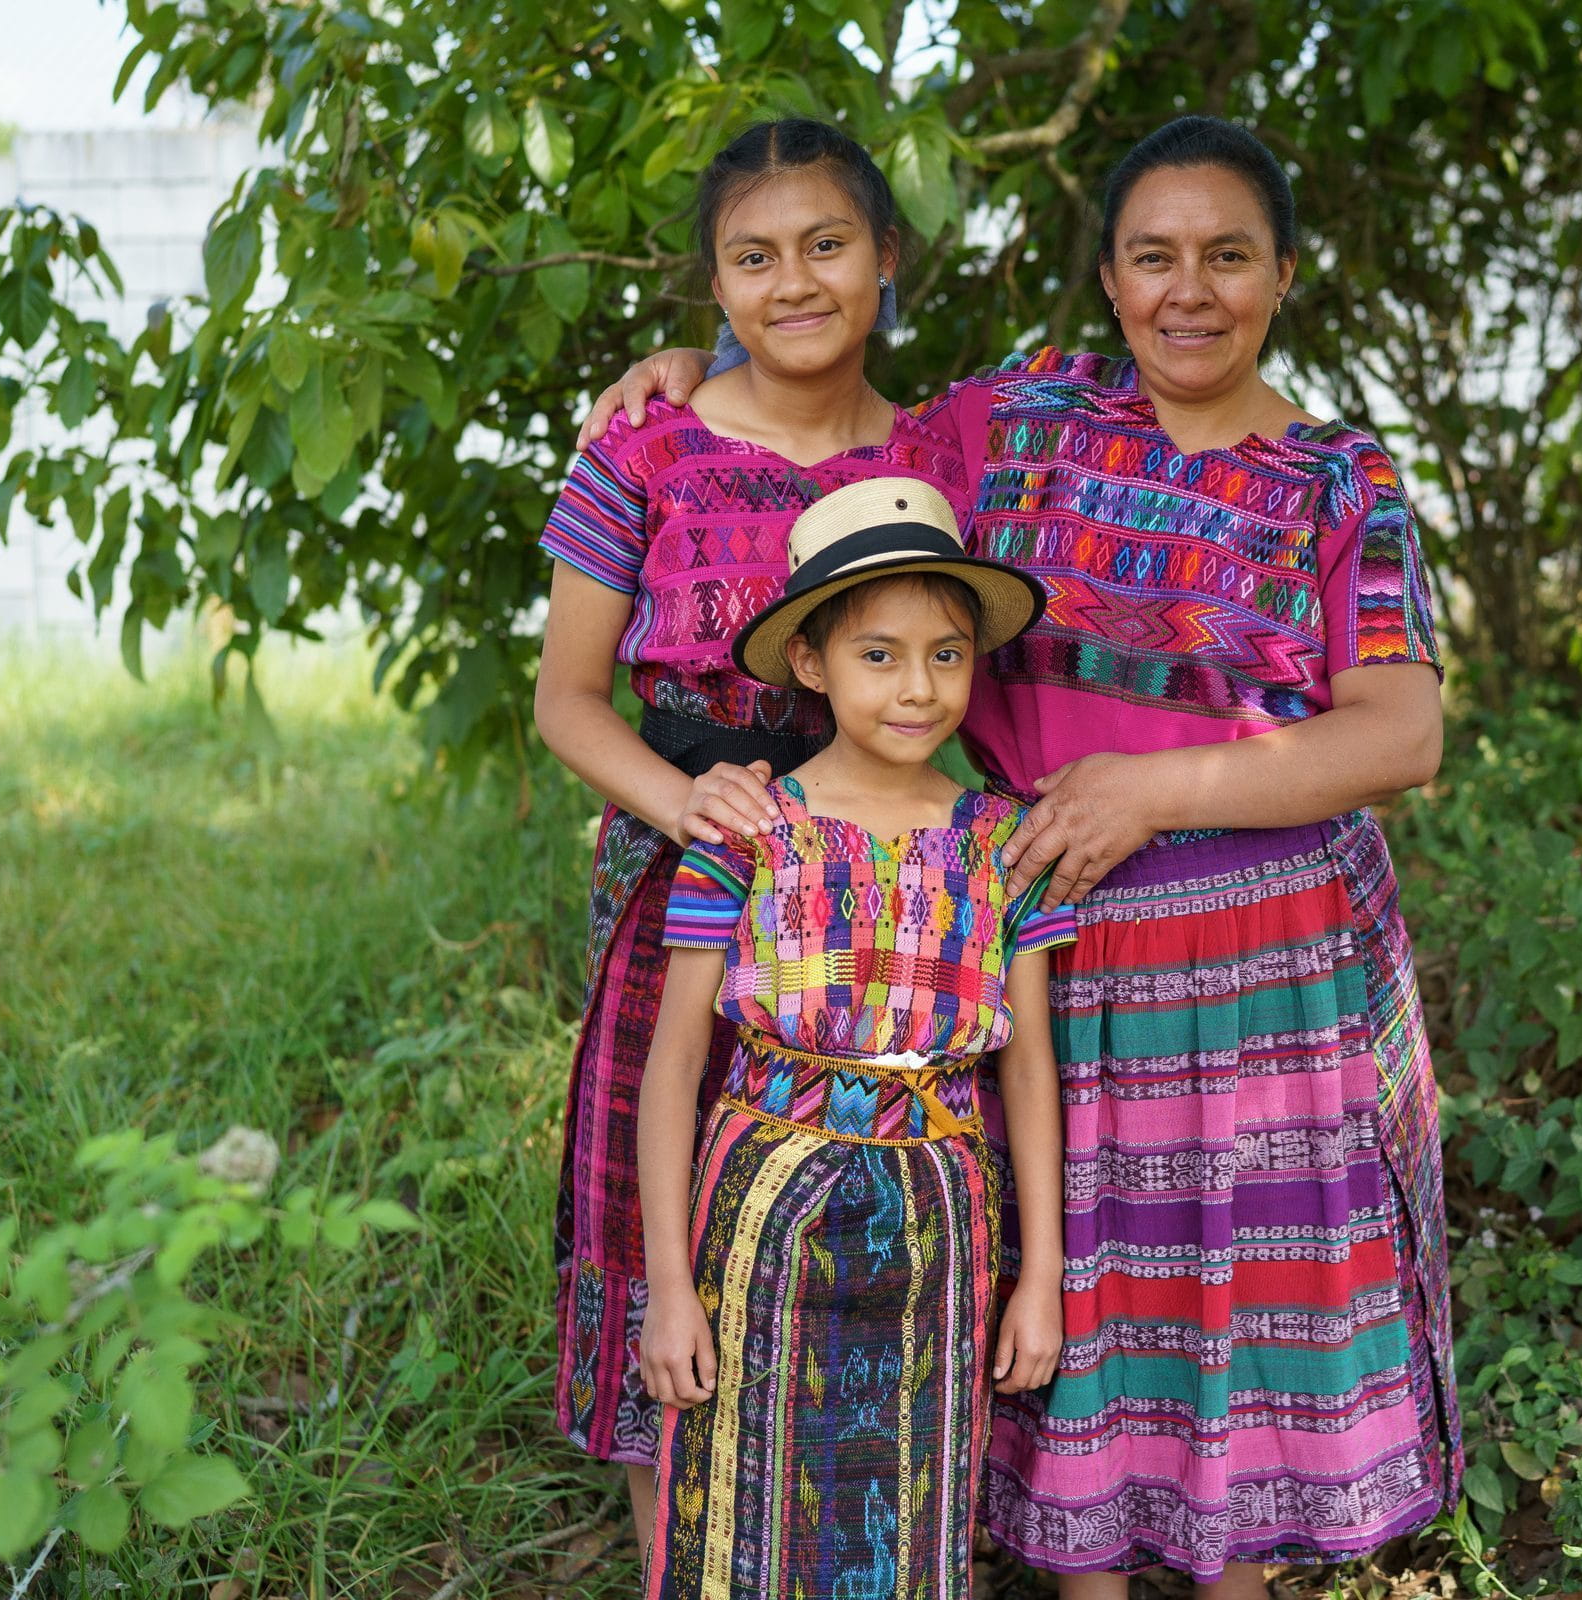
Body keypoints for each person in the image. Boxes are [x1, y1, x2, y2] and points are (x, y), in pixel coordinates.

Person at [586, 115, 1462, 1599]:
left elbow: (1403, 732)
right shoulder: (1023, 424)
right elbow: (834, 446)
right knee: (1080, 1302)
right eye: (1153, 257)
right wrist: (687, 384)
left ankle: (1238, 1564)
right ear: (1110, 280)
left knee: (1239, 1304)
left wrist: (1159, 789)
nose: (1191, 292)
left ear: (1285, 275)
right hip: (1035, 946)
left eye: (1228, 256)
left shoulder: (1337, 480)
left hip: (1269, 981)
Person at [530, 117, 971, 1556]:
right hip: (686, 879)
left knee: (840, 1219)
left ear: (886, 259)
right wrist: (689, 809)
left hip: (878, 905)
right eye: (753, 257)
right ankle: (675, 1559)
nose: (794, 283)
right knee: (666, 1219)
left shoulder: (930, 455)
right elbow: (567, 702)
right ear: (712, 286)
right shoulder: (646, 449)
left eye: (827, 245)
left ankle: (843, 1546)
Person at [635, 477, 1071, 1598]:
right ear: (813, 664)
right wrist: (671, 1287)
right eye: (879, 655)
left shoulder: (1003, 840)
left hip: (942, 1214)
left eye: (947, 653)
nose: (919, 687)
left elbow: (1027, 1065)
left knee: (908, 1505)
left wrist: (1044, 1276)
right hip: (764, 1201)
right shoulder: (747, 826)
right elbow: (676, 1064)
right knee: (744, 1496)